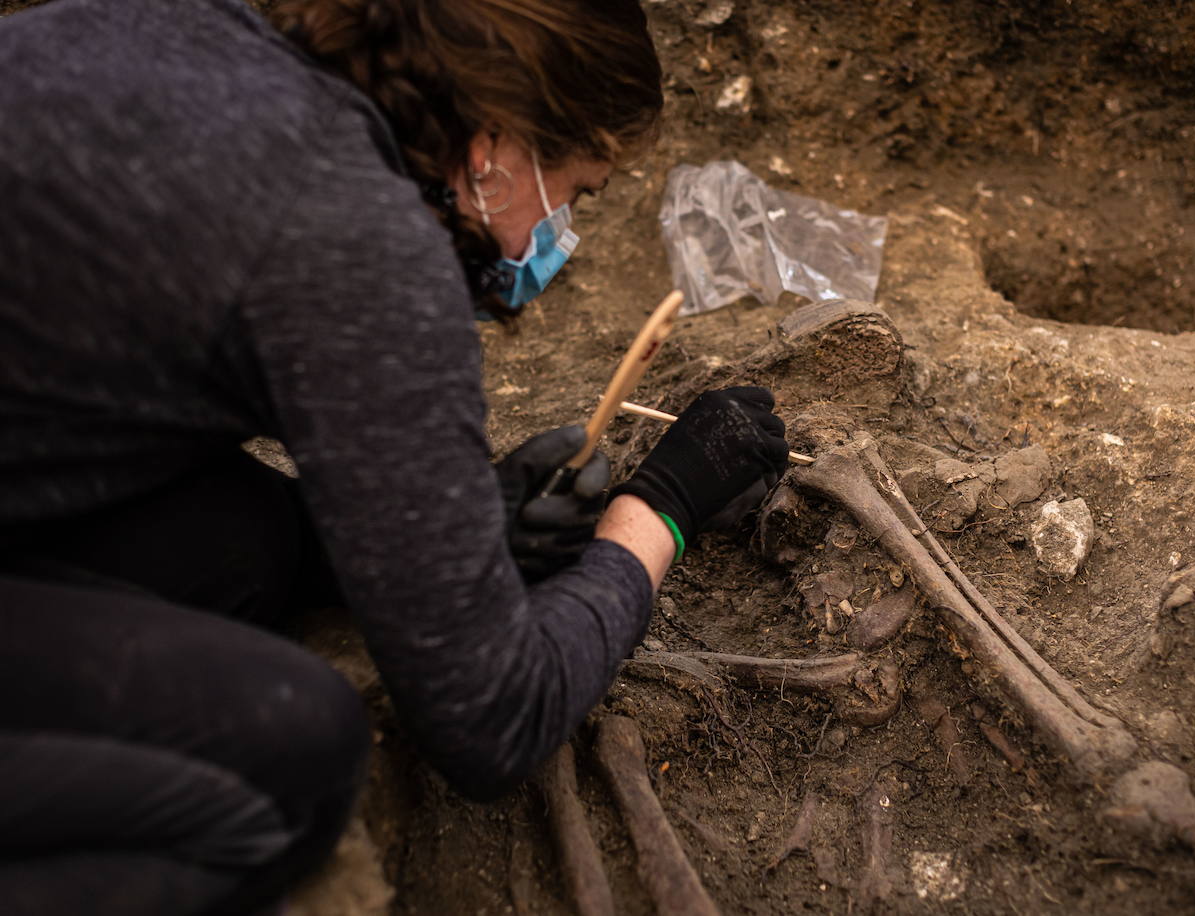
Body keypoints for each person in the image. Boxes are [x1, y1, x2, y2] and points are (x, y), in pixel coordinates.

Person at [0, 0, 790, 913]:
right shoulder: (349, 237)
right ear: (495, 142)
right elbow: (494, 717)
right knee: (289, 752)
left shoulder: (188, 38)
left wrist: (464, 525)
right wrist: (657, 513)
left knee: (253, 536)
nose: (558, 237)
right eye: (575, 193)